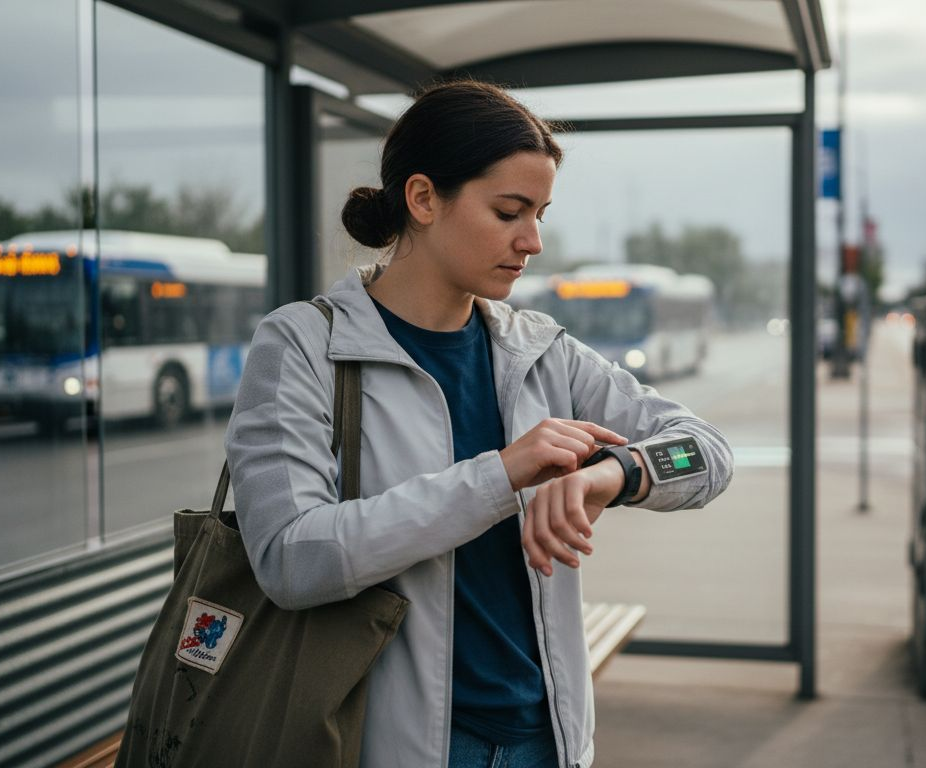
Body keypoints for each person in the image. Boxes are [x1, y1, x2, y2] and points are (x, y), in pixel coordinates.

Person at [225, 80, 732, 768]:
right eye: (509, 211)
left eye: (541, 213)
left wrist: (616, 475)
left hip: (549, 738)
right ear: (424, 198)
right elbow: (293, 558)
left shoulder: (541, 350)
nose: (534, 241)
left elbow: (706, 453)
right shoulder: (304, 347)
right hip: (406, 747)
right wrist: (500, 475)